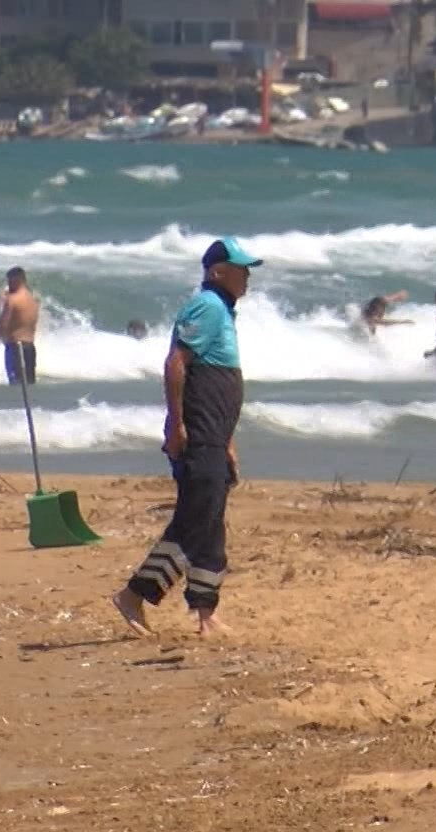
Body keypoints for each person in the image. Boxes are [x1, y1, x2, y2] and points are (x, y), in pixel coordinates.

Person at [113, 237, 261, 638]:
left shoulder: (223, 312)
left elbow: (222, 382)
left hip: (215, 432)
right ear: (218, 272)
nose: (248, 276)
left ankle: (205, 612)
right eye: (241, 269)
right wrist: (176, 423)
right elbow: (176, 363)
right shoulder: (207, 306)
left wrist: (228, 440)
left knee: (210, 520)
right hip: (198, 430)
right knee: (197, 517)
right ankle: (134, 595)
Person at [0, 266, 40, 384]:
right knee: (29, 384)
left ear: (17, 280)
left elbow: (2, 324)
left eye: (9, 281)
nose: (8, 284)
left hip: (16, 347)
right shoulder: (33, 299)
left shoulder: (12, 300)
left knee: (16, 385)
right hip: (30, 347)